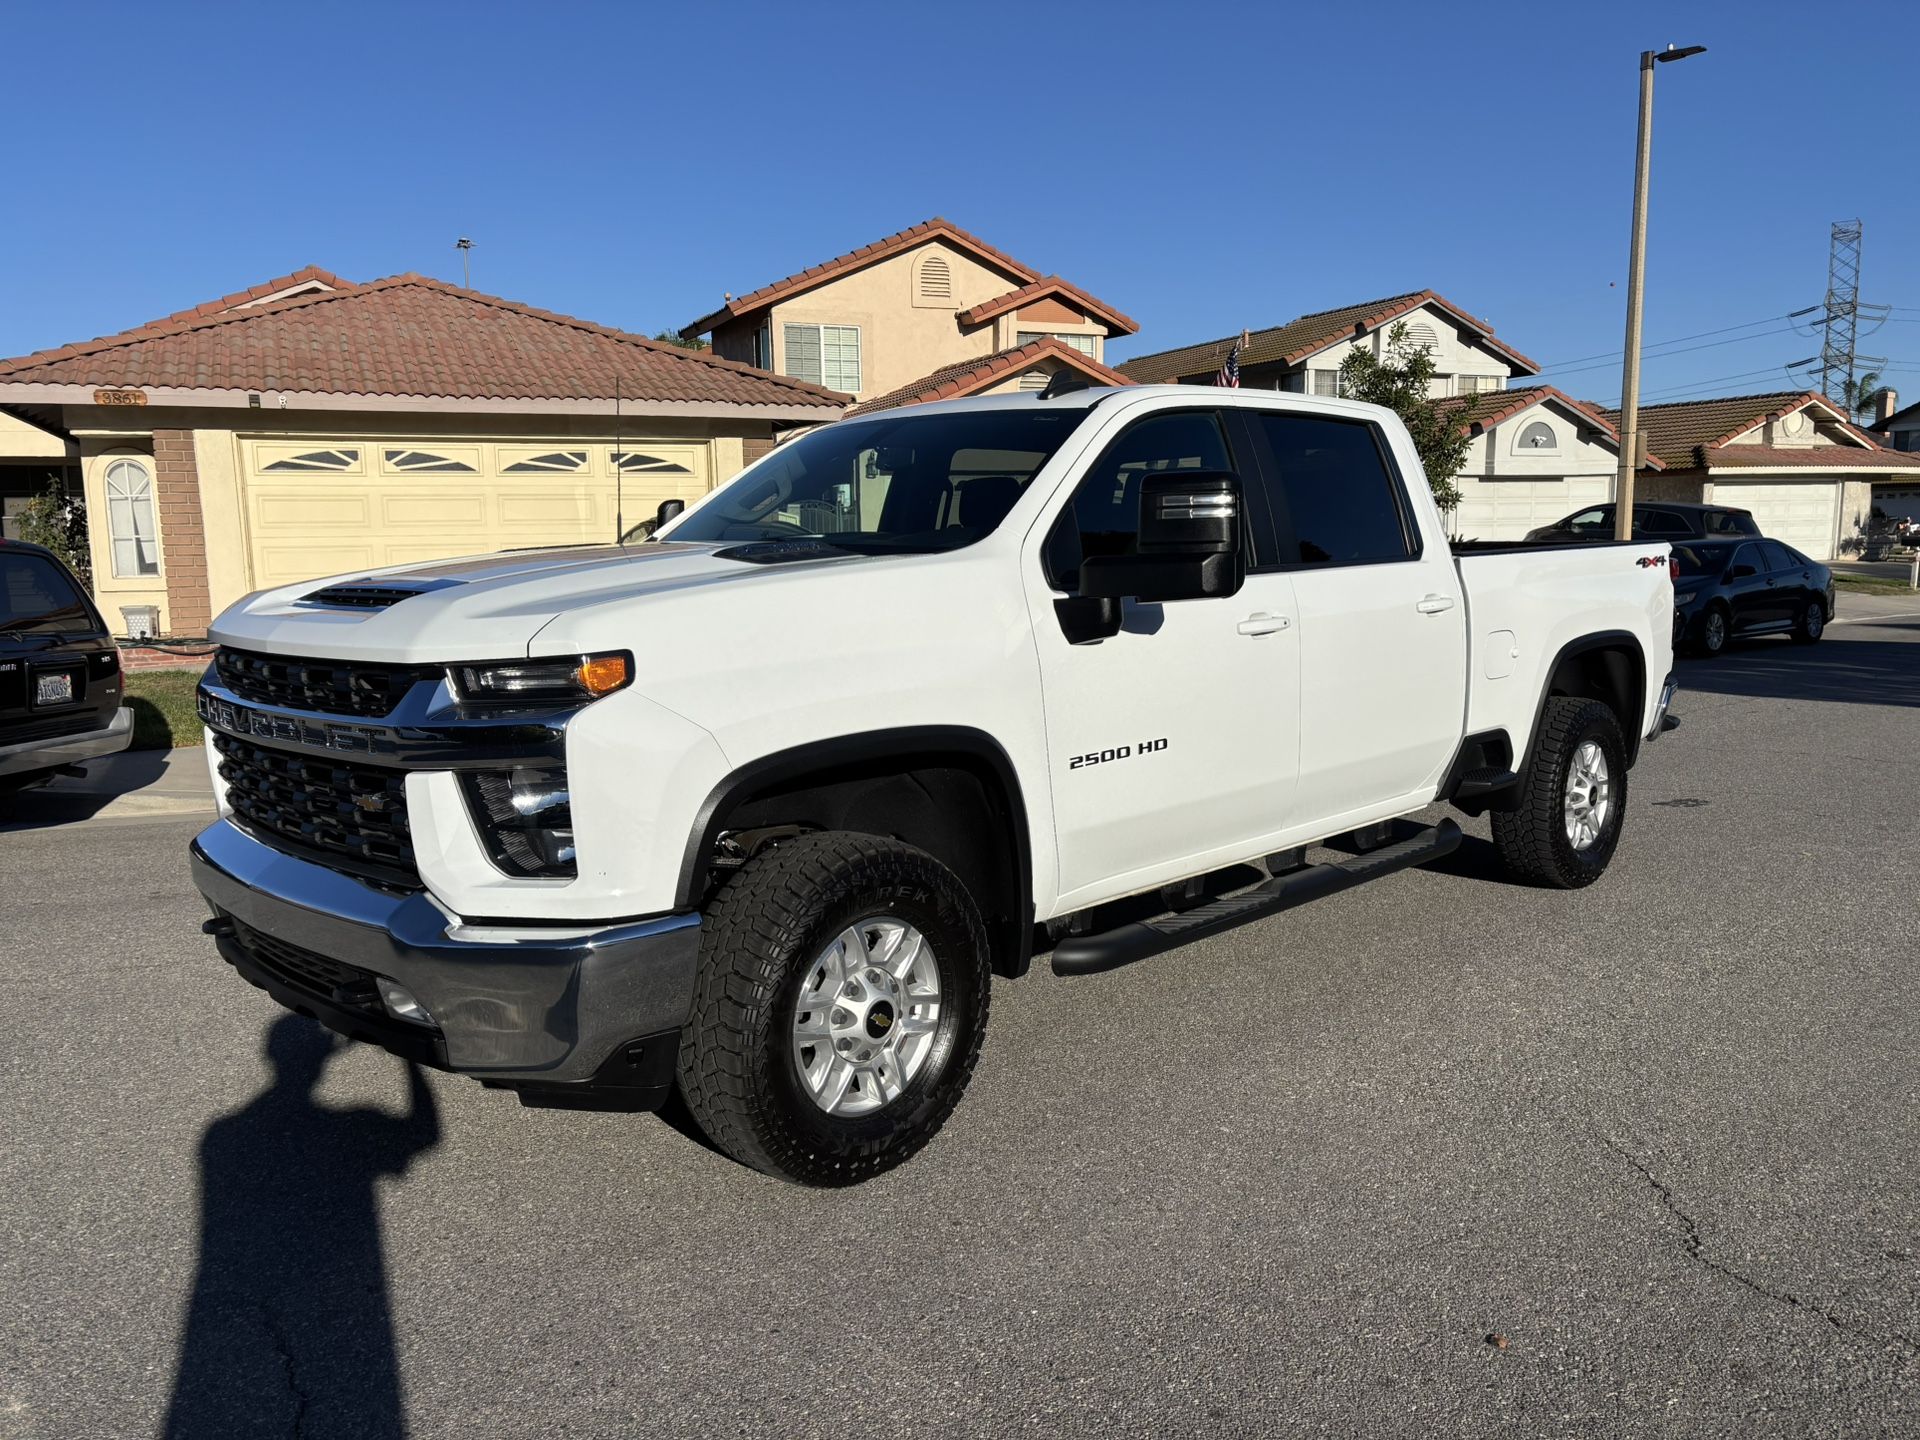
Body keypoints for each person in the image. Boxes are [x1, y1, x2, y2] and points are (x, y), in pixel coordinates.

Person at [164, 1014, 440, 1438]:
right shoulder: (348, 1124)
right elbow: (425, 1132)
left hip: (229, 1291)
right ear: (323, 1062)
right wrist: (412, 1060)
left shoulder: (220, 1133)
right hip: (344, 1287)